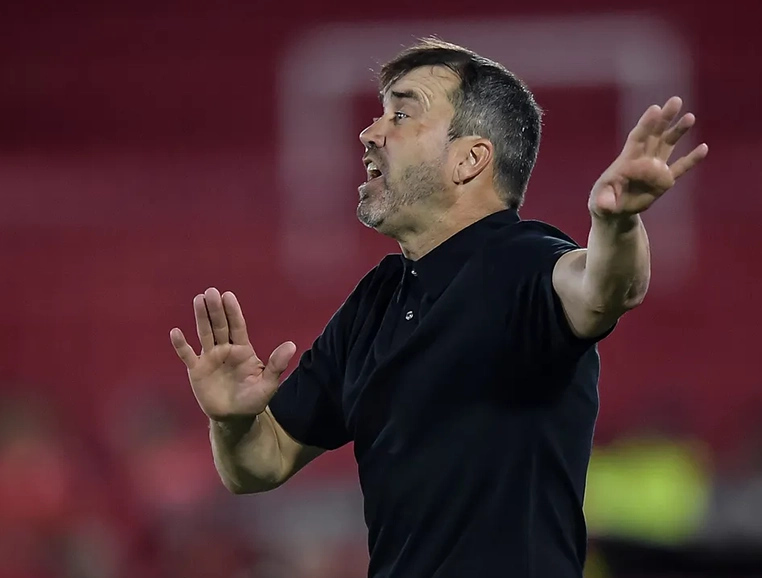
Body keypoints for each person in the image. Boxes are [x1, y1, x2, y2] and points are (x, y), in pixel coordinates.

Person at [170, 38, 707, 578]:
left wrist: (616, 223)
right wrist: (233, 420)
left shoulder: (524, 264)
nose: (370, 133)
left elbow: (607, 288)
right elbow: (262, 463)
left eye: (402, 114)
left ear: (470, 159)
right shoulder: (376, 301)